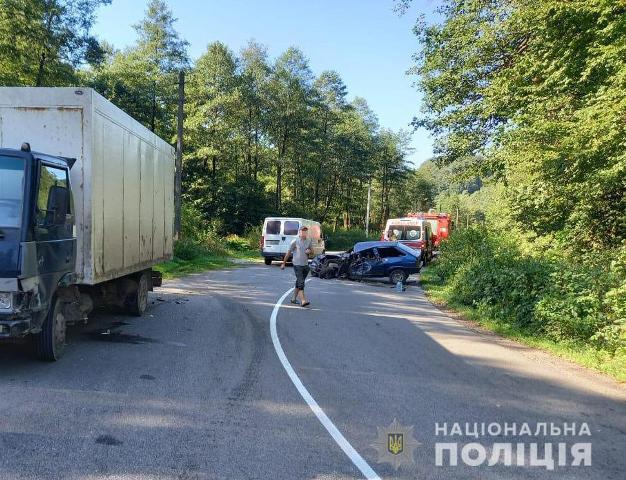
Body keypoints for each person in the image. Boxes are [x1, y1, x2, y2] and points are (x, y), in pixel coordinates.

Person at [281, 226, 312, 307]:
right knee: (301, 282)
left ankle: (293, 298)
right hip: (297, 265)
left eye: (305, 231)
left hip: (305, 265)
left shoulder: (309, 241)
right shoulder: (295, 241)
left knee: (299, 282)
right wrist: (283, 263)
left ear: (307, 232)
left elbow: (312, 251)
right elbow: (288, 252)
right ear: (299, 232)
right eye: (302, 231)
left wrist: (310, 251)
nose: (304, 233)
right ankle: (303, 300)